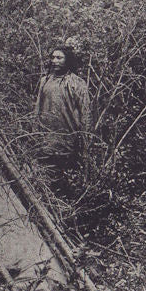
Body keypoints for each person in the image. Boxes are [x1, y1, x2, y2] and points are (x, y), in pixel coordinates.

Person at [33, 45, 90, 196]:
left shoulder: (77, 83)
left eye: (59, 58)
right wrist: (34, 131)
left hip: (66, 138)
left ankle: (59, 202)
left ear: (67, 60)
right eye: (53, 57)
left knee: (61, 177)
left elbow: (85, 113)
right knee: (44, 174)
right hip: (45, 137)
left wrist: (84, 141)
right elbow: (37, 107)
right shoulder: (45, 81)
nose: (55, 61)